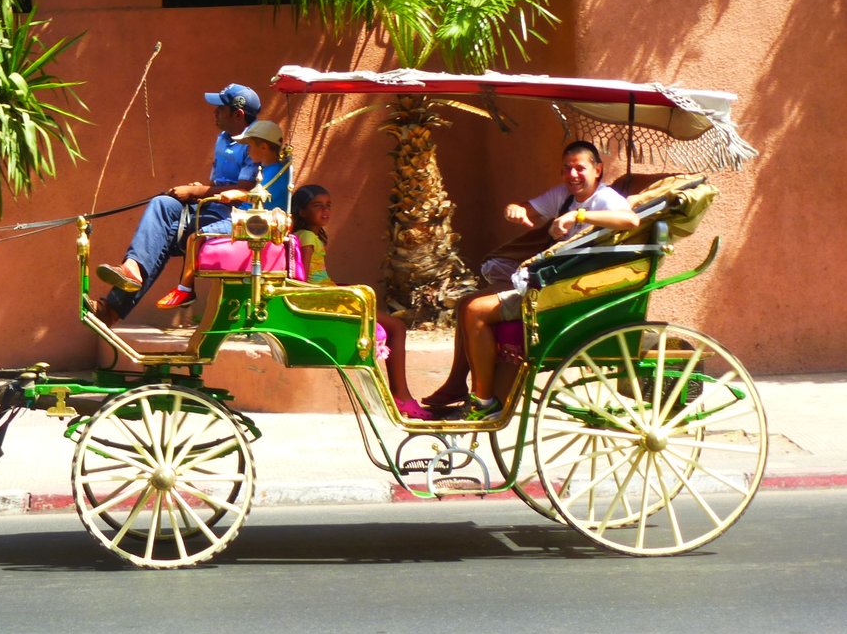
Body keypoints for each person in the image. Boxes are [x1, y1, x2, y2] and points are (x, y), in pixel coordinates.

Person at [428, 141, 639, 421]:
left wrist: (579, 215)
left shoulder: (605, 198)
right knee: (467, 302)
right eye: (567, 169)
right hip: (550, 281)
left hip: (570, 289)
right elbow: (527, 208)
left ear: (597, 170)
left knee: (476, 310)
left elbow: (631, 221)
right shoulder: (564, 195)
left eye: (580, 168)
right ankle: (457, 383)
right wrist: (514, 210)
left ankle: (485, 401)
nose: (573, 175)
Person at [91, 83, 262, 323]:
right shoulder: (223, 138)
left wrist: (195, 191)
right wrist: (198, 190)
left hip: (235, 216)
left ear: (238, 114)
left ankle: (111, 311)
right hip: (211, 205)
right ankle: (132, 269)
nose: (214, 112)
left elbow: (244, 189)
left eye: (220, 109)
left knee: (160, 238)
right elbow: (220, 182)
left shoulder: (254, 141)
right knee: (162, 203)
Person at [288, 183, 428, 420]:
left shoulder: (310, 234)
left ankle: (399, 395)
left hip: (327, 292)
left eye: (328, 206)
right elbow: (302, 278)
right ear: (302, 212)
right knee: (397, 327)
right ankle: (402, 396)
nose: (325, 211)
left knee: (384, 313)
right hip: (323, 298)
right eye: (317, 206)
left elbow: (316, 274)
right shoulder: (307, 236)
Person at [155, 119, 292, 310]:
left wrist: (239, 194)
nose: (247, 151)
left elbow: (264, 195)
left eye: (250, 146)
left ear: (263, 147)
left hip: (256, 224)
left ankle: (185, 288)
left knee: (196, 237)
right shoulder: (267, 169)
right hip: (244, 218)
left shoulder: (277, 171)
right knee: (195, 229)